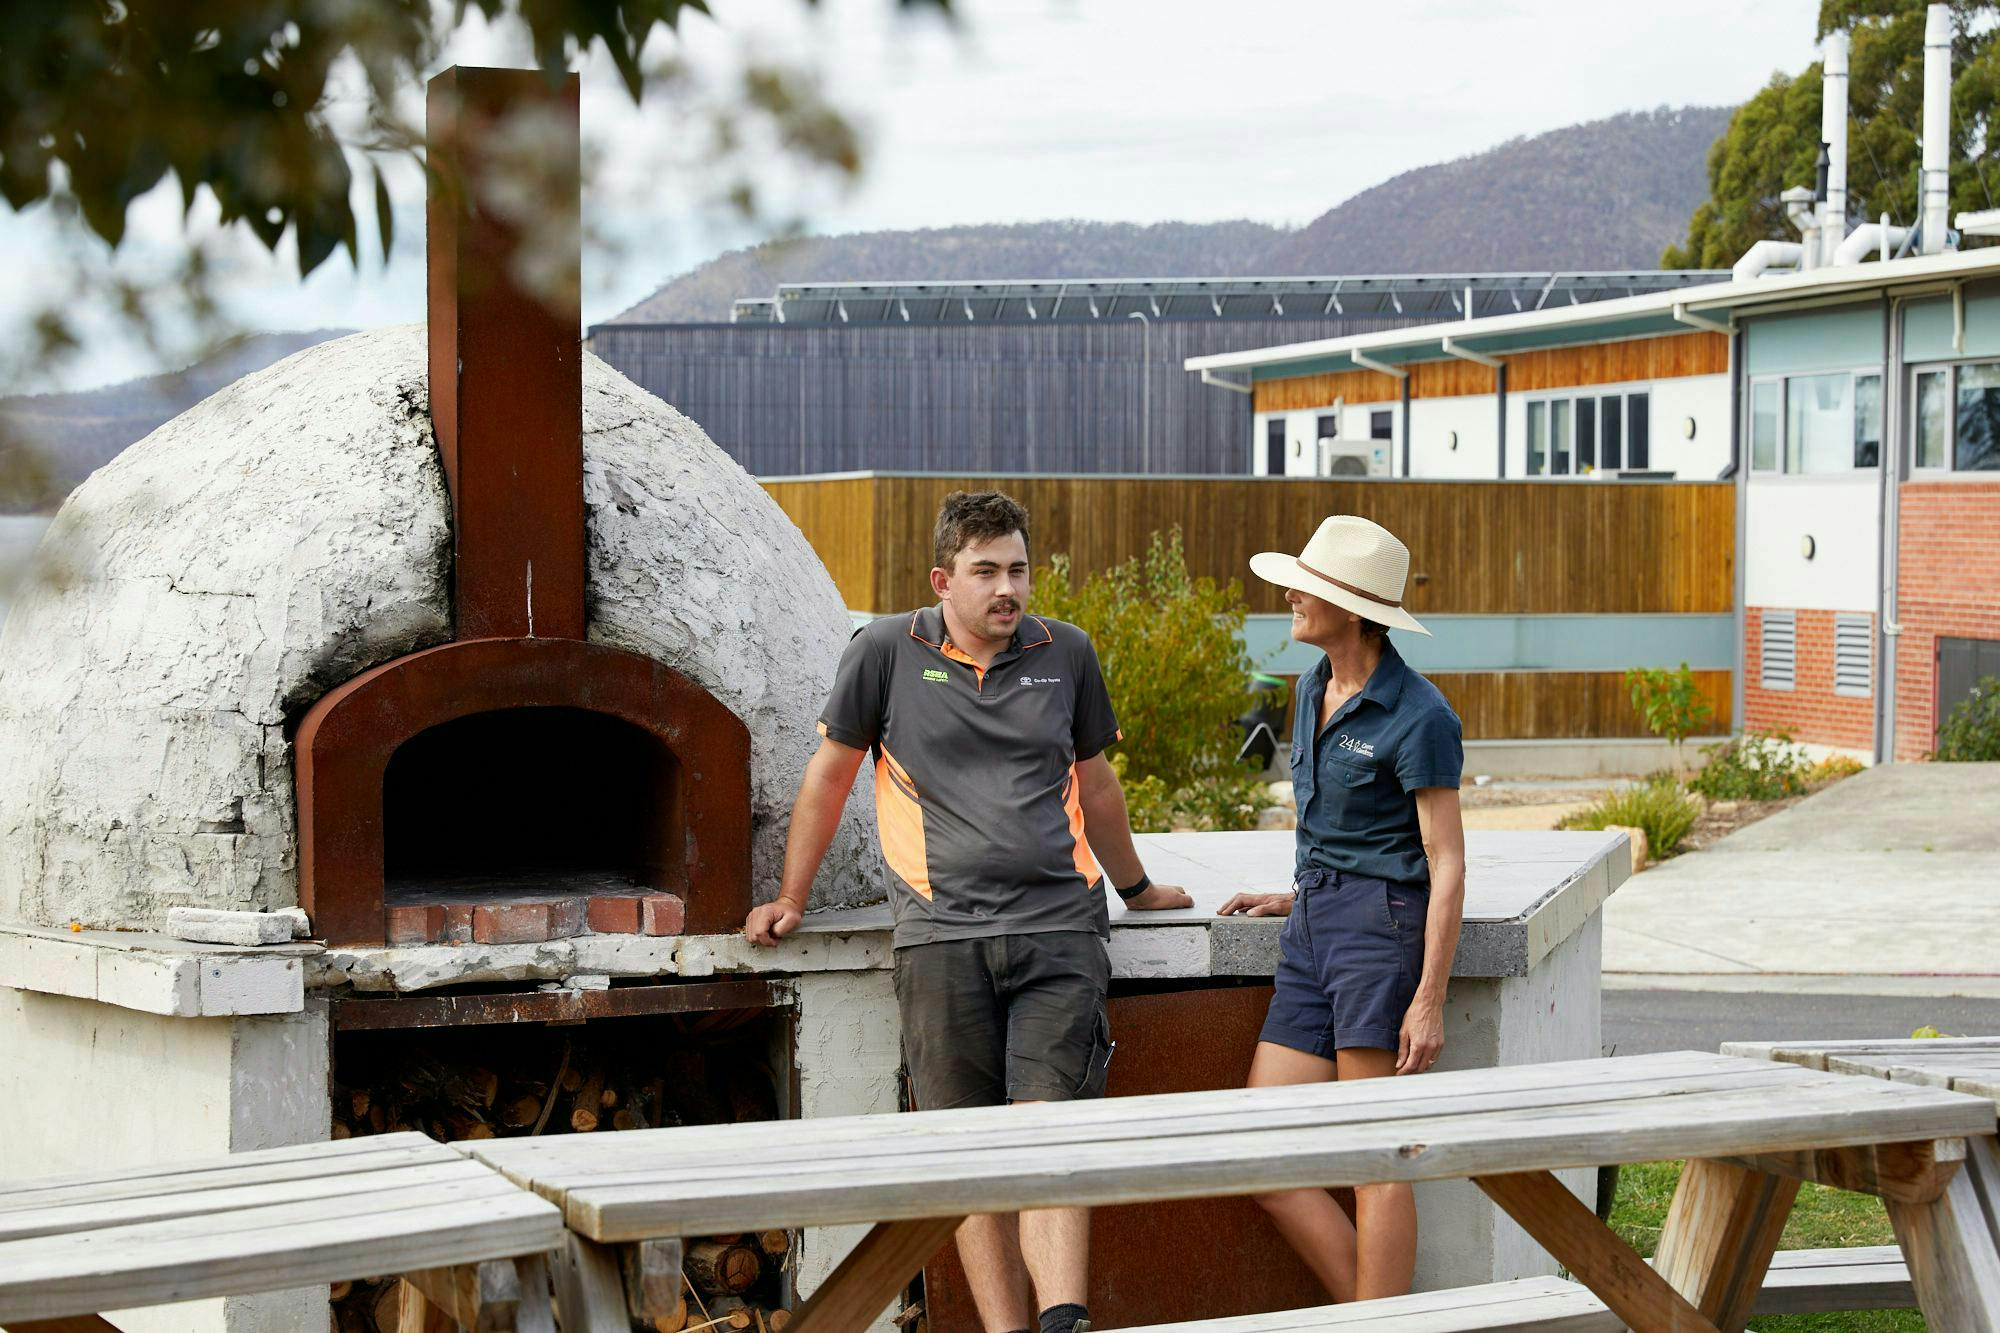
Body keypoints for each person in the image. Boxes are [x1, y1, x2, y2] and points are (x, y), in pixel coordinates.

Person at [745, 489, 1192, 1333]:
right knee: (968, 1152)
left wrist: (1138, 890)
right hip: (941, 939)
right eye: (986, 571)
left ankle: (1064, 1320)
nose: (1007, 589)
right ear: (942, 578)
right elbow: (829, 779)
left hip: (1060, 928)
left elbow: (1096, 784)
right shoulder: (883, 650)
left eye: (1018, 569)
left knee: (1047, 1137)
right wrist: (791, 897)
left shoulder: (1069, 653)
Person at [1218, 514, 1466, 1303]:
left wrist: (1429, 998)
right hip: (1311, 929)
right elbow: (1338, 826)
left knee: (1374, 1156)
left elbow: (1446, 863)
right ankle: (1371, 1316)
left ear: (1353, 608)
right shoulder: (1308, 689)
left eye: (1310, 586)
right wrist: (1302, 892)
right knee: (1262, 1148)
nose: (1292, 594)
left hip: (1378, 937)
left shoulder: (1420, 715)